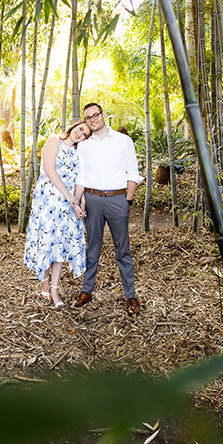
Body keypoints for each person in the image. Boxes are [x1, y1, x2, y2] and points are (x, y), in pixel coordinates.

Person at [73, 103, 143, 314]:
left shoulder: (123, 141)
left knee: (122, 250)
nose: (92, 119)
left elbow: (133, 172)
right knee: (92, 247)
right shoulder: (84, 145)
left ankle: (130, 296)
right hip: (92, 199)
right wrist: (77, 201)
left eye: (95, 115)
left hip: (117, 199)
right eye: (88, 118)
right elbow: (82, 176)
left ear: (103, 115)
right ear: (85, 121)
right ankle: (87, 290)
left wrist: (127, 201)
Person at [24, 119, 90, 307]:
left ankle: (53, 290)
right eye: (80, 129)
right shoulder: (54, 141)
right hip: (49, 199)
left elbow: (81, 180)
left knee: (61, 245)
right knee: (47, 242)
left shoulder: (79, 153)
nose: (81, 134)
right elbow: (49, 170)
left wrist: (79, 204)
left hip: (68, 204)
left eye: (85, 134)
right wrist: (70, 197)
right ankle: (45, 282)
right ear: (74, 126)